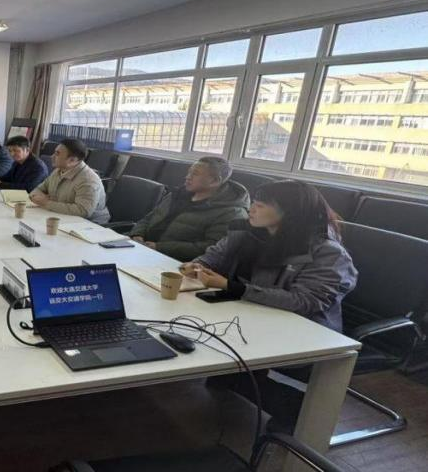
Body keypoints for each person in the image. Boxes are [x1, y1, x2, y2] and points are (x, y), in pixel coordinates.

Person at [187, 180, 357, 433]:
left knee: (213, 352)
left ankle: (297, 409)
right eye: (253, 203)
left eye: (261, 205)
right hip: (247, 315)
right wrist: (195, 266)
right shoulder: (246, 232)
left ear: (290, 212)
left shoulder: (327, 253)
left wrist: (233, 287)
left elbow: (304, 302)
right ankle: (238, 378)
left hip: (302, 332)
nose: (251, 209)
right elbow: (212, 257)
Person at [129, 157, 250, 262]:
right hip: (142, 249)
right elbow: (150, 217)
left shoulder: (231, 212)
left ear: (214, 181)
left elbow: (211, 248)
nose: (187, 177)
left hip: (174, 262)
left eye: (195, 174)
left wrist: (159, 247)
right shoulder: (178, 194)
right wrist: (137, 234)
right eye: (189, 172)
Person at [29, 138, 110, 224]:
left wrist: (47, 203)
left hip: (90, 225)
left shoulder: (88, 180)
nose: (52, 156)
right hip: (62, 217)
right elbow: (38, 189)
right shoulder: (58, 171)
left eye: (57, 154)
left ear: (72, 160)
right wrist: (38, 197)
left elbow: (83, 211)